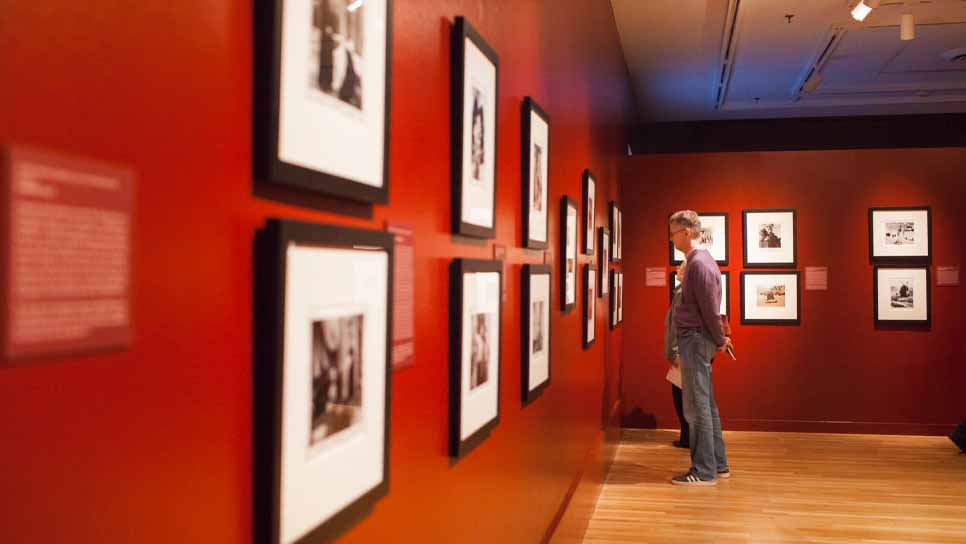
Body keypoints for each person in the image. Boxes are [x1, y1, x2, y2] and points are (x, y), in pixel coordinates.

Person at [668, 210, 733, 486]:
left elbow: (710, 310)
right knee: (706, 404)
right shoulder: (698, 262)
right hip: (695, 340)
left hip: (695, 341)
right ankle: (717, 464)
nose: (671, 239)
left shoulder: (699, 264)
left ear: (685, 232)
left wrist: (720, 339)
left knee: (696, 408)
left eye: (672, 233)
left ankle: (704, 470)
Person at [665, 259, 689, 448]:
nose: (676, 269)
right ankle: (686, 436)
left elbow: (675, 326)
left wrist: (673, 353)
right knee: (684, 395)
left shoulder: (682, 293)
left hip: (682, 351)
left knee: (680, 396)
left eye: (681, 266)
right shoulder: (686, 291)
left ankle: (687, 437)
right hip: (687, 350)